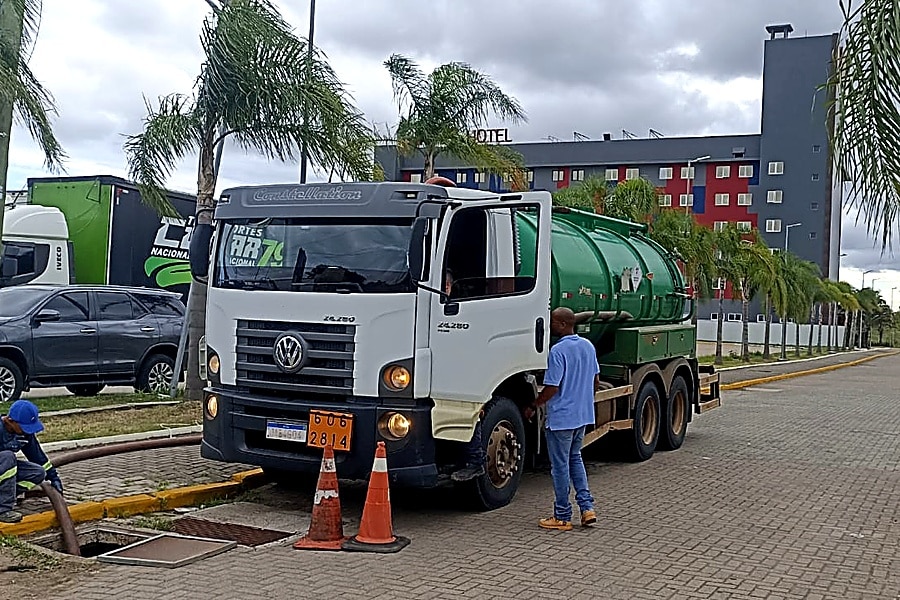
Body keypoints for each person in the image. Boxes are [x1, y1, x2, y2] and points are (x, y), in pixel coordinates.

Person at [530, 307, 599, 531]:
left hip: (562, 419)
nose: (549, 325)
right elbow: (596, 380)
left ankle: (562, 516)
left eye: (552, 321)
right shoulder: (588, 346)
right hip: (582, 416)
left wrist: (535, 404)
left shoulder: (557, 351)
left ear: (561, 324)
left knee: (560, 467)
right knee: (575, 459)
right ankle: (587, 509)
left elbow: (552, 387)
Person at [0, 400, 64, 523]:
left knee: (38, 472)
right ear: (10, 420)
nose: (27, 431)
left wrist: (54, 477)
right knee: (8, 457)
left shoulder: (23, 434)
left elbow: (38, 457)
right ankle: (3, 510)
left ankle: (6, 497)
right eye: (25, 427)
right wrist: (7, 446)